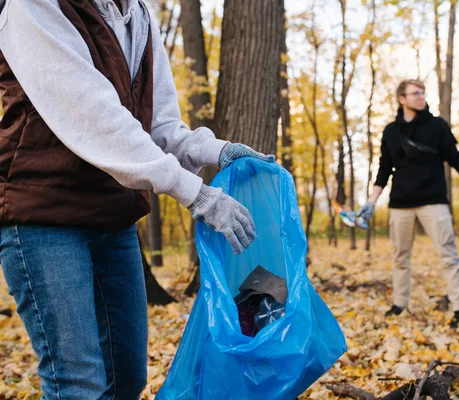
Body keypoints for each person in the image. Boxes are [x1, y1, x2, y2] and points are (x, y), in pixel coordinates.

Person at [0, 0, 274, 398]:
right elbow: (96, 118)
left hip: (111, 215)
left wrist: (216, 151)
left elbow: (159, 124)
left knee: (127, 377)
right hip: (43, 216)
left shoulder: (137, 15)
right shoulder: (35, 6)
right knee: (78, 383)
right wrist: (197, 194)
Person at [358, 79, 459, 330]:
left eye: (422, 93)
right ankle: (400, 304)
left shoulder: (437, 126)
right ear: (402, 99)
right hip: (400, 204)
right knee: (400, 257)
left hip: (433, 202)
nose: (421, 97)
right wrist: (370, 202)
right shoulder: (391, 131)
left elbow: (457, 160)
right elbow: (383, 171)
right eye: (415, 93)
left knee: (448, 255)